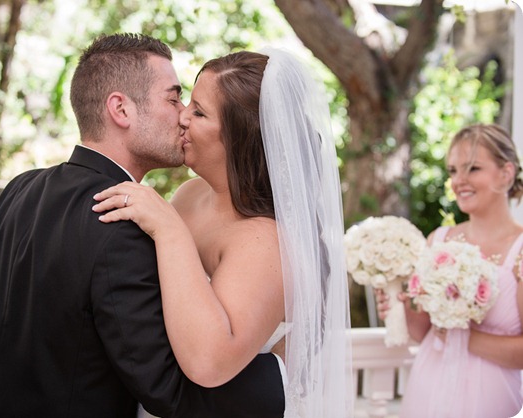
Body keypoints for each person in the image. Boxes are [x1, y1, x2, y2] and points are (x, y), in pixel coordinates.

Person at [0, 33, 286, 418]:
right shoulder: (121, 223)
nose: (182, 115)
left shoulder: (20, 189)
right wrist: (283, 380)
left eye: (193, 107)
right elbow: (161, 383)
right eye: (174, 99)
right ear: (121, 110)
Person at [93, 48, 353, 417]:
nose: (182, 116)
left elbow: (209, 363)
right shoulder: (190, 195)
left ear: (239, 136)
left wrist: (169, 230)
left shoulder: (266, 242)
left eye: (199, 111)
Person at [376, 123, 523, 418]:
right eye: (453, 170)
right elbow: (425, 333)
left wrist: (459, 337)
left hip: (491, 399)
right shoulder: (439, 241)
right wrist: (402, 309)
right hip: (428, 387)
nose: (459, 181)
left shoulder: (519, 250)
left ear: (506, 173)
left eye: (473, 168)